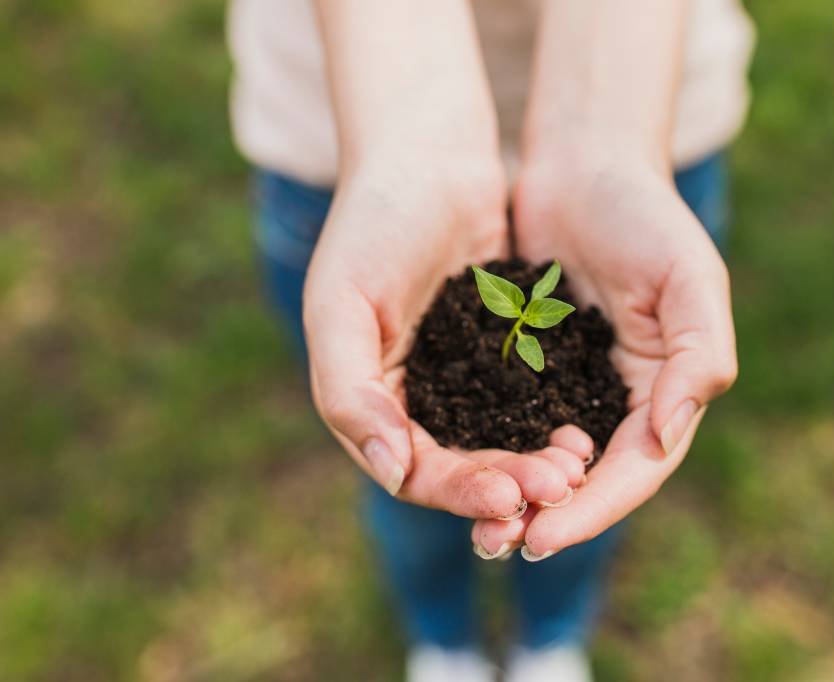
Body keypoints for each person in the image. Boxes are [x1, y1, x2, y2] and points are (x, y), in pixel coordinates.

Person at [227, 1, 753, 679]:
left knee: (587, 481)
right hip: (341, 137)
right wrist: (410, 142)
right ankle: (443, 640)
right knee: (400, 464)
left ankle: (552, 639)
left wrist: (606, 143)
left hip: (651, 106)